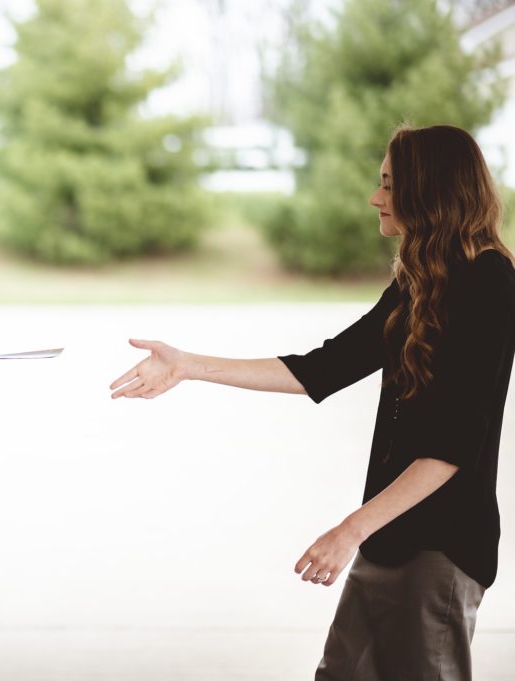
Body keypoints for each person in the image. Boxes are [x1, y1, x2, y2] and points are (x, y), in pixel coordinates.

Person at [109, 124, 515, 680]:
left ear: (431, 190)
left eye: (390, 185)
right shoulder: (421, 279)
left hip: (438, 550)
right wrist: (189, 366)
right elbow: (323, 367)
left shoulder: (488, 282)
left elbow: (449, 449)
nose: (376, 198)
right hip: (387, 537)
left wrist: (349, 531)